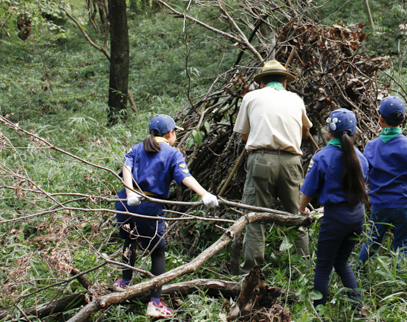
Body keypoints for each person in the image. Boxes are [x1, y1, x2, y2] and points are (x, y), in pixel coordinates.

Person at [114, 114, 219, 318]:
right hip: (149, 206)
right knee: (157, 251)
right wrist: (205, 194)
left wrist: (129, 193)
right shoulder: (173, 153)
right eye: (175, 133)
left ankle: (124, 282)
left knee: (129, 241)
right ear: (170, 134)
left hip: (125, 203)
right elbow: (184, 176)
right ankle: (155, 302)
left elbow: (126, 168)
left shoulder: (137, 147)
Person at [233, 60, 313, 273]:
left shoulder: (250, 97)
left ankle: (253, 272)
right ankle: (304, 267)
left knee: (255, 216)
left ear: (261, 83)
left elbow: (244, 135)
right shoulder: (296, 99)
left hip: (261, 160)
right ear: (285, 81)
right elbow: (306, 132)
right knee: (296, 214)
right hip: (291, 161)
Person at [299, 108, 369, 314]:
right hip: (357, 217)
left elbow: (309, 189)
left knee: (323, 266)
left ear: (328, 131)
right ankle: (358, 309)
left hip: (335, 219)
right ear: (354, 132)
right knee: (341, 261)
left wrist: (302, 208)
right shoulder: (361, 158)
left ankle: (318, 312)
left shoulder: (322, 157)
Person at [358, 96, 407, 265]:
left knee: (372, 241)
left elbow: (364, 174)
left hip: (380, 204)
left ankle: (358, 271)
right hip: (403, 205)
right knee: (403, 245)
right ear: (403, 119)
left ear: (380, 118)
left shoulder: (371, 146)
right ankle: (403, 281)